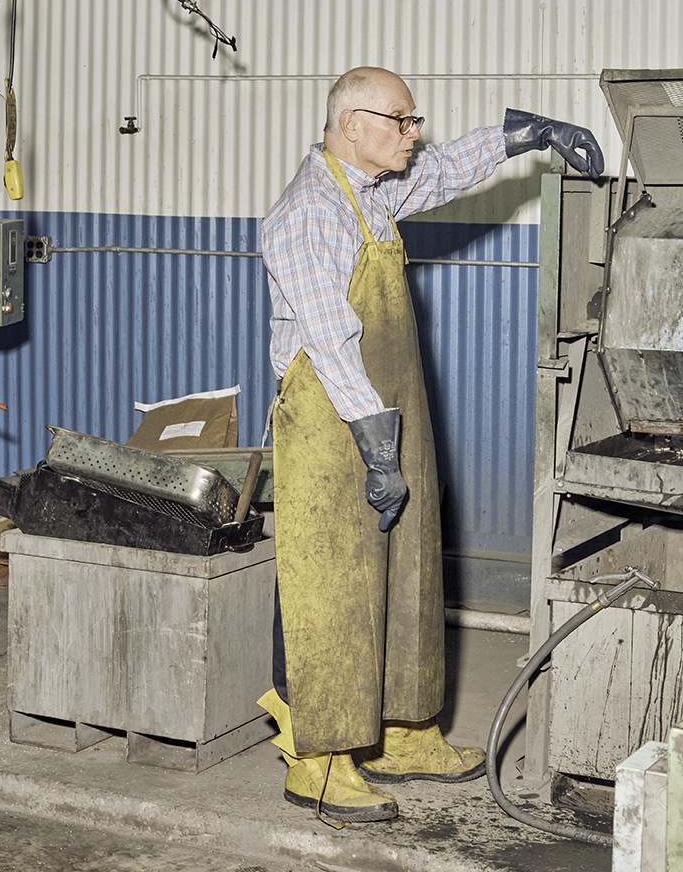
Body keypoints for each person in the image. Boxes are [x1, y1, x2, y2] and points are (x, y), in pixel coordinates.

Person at [258, 67, 603, 823]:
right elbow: (332, 344)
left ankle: (404, 732)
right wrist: (378, 451)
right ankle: (319, 759)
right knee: (336, 592)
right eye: (402, 121)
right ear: (353, 124)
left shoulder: (374, 195)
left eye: (414, 121)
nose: (416, 135)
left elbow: (449, 170)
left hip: (384, 416)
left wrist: (528, 134)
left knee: (411, 571)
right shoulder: (310, 212)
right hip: (333, 425)